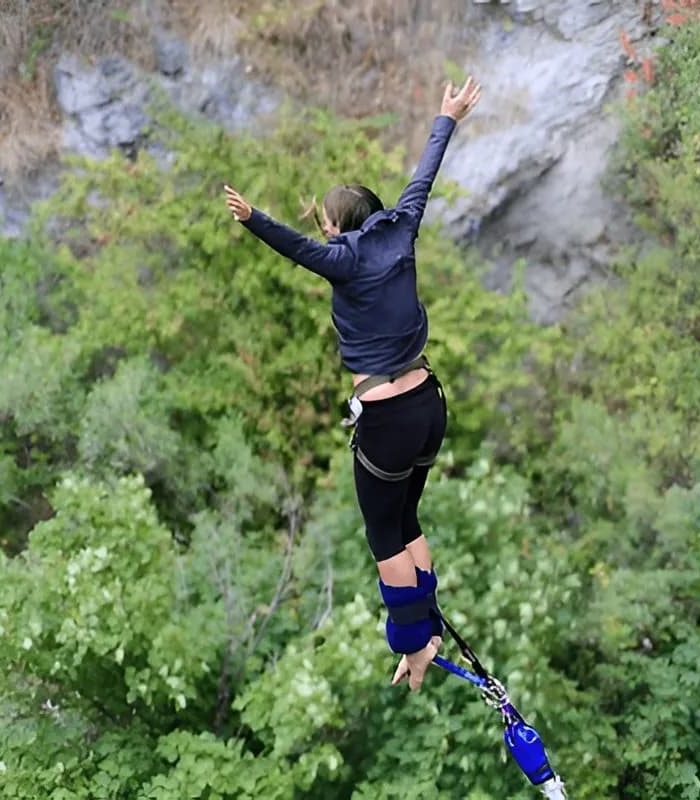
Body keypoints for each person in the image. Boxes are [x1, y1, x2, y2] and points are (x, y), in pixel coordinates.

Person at [223, 76, 482, 692]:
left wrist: (254, 217)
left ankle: (413, 644)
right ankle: (429, 624)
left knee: (381, 532)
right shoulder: (402, 227)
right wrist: (447, 116)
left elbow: (295, 248)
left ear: (339, 228)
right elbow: (423, 177)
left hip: (388, 420)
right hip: (429, 403)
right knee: (406, 518)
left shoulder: (340, 260)